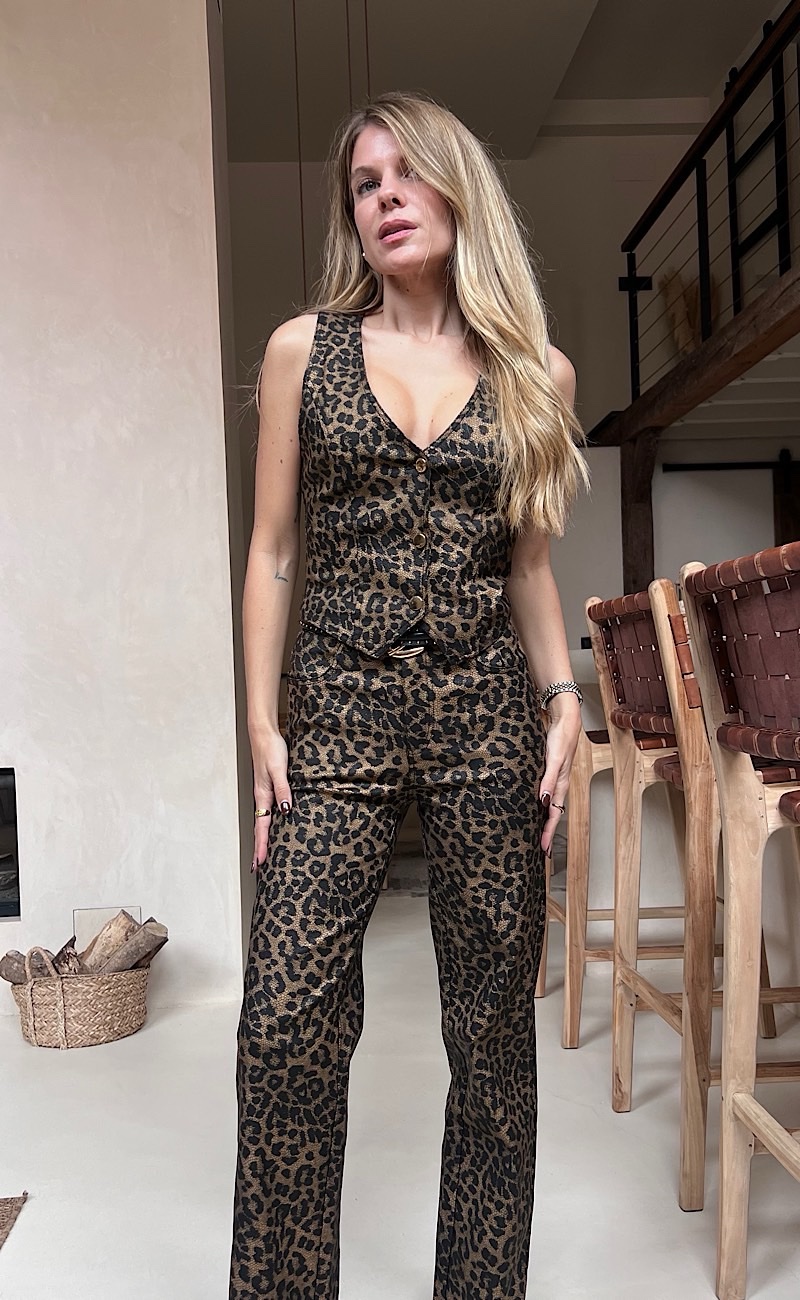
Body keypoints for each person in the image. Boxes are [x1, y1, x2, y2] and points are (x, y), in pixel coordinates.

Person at [229, 91, 588, 1300]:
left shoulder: (535, 374)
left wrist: (560, 695)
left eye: (404, 174)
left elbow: (525, 564)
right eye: (362, 183)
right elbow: (273, 548)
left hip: (485, 716)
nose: (382, 197)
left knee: (489, 1035)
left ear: (454, 187)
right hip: (335, 710)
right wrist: (260, 719)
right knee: (284, 1019)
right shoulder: (304, 350)